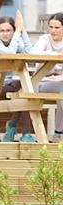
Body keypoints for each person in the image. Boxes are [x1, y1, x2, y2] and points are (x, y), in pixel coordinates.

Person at [0, 12, 35, 142]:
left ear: (13, 31)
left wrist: (23, 31)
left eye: (9, 30)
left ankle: (15, 129)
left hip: (7, 88)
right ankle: (23, 132)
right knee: (24, 90)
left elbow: (30, 56)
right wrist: (17, 31)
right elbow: (10, 53)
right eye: (2, 31)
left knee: (24, 91)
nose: (5, 34)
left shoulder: (14, 42)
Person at [33, 12, 63, 143]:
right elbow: (34, 53)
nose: (53, 31)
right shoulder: (45, 39)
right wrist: (56, 54)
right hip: (42, 80)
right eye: (51, 27)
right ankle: (58, 133)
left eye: (57, 27)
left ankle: (58, 134)